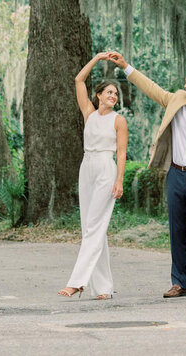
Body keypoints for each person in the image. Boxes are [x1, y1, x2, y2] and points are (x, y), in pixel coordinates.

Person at [103, 51, 186, 299]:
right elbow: (151, 88)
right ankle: (179, 283)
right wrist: (126, 67)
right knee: (177, 232)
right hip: (176, 176)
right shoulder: (177, 100)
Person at [58, 52, 128, 300]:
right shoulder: (89, 113)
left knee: (94, 227)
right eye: (109, 92)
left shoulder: (118, 121)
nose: (113, 96)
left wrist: (119, 180)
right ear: (98, 95)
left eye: (116, 94)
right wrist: (97, 59)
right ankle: (104, 287)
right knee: (91, 226)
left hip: (106, 169)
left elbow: (121, 153)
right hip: (86, 167)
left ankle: (77, 282)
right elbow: (78, 80)